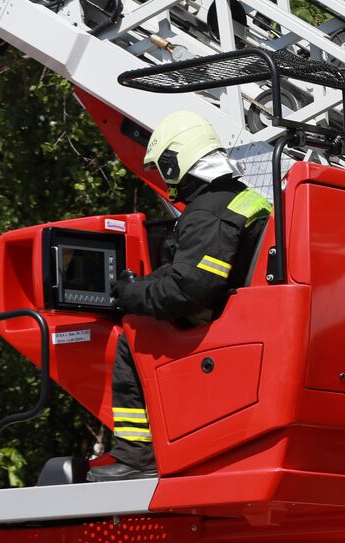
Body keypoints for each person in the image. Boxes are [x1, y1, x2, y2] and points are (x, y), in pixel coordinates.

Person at [88, 111, 271, 482]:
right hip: (249, 318)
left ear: (176, 161)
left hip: (222, 327)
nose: (166, 178)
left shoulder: (208, 211)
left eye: (164, 168)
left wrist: (129, 294)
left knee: (133, 334)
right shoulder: (245, 198)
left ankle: (137, 454)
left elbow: (188, 288)